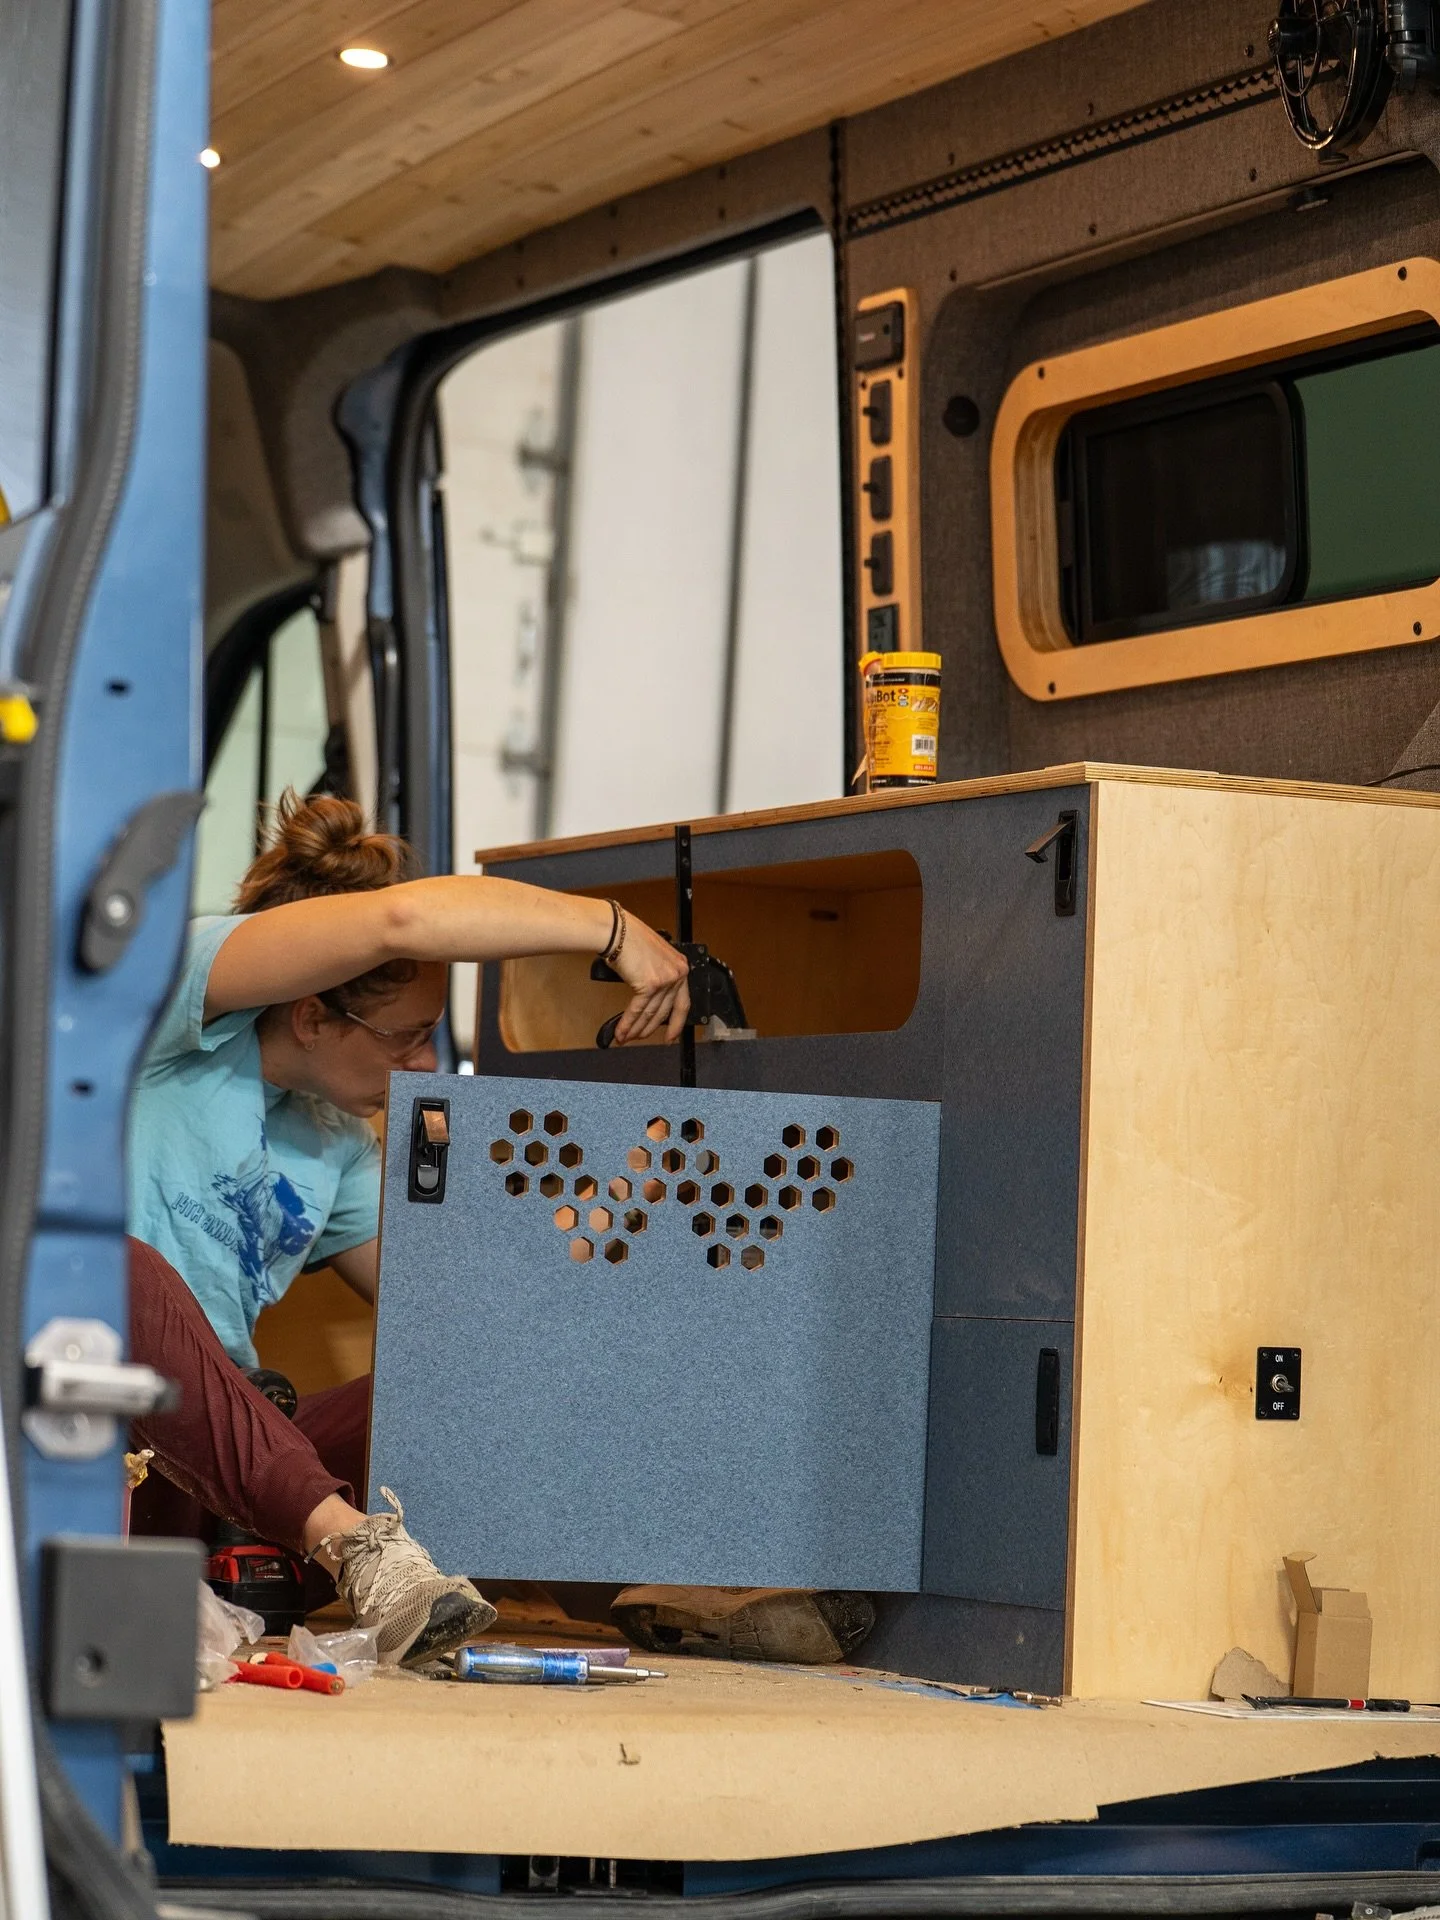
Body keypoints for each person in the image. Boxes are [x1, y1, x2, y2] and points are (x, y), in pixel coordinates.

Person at [126, 790, 688, 1666]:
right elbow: (402, 919)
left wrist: (624, 1196)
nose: (424, 1066)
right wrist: (615, 929)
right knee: (112, 1269)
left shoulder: (339, 1143)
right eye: (407, 1038)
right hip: (105, 1446)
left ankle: (667, 1592)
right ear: (312, 1016)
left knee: (448, 1384)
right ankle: (362, 1554)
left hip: (232, 1484)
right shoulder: (169, 1013)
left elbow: (463, 1322)